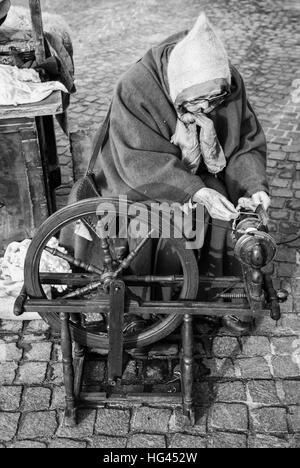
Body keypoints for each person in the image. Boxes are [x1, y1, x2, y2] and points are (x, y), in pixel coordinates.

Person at [75, 13, 272, 332]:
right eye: (197, 103)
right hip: (131, 174)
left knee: (228, 207)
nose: (208, 109)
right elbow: (139, 162)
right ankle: (143, 306)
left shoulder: (226, 80)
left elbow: (244, 143)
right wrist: (192, 190)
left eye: (215, 99)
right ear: (176, 91)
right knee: (161, 221)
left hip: (195, 169)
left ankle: (219, 292)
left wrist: (252, 187)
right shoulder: (136, 85)